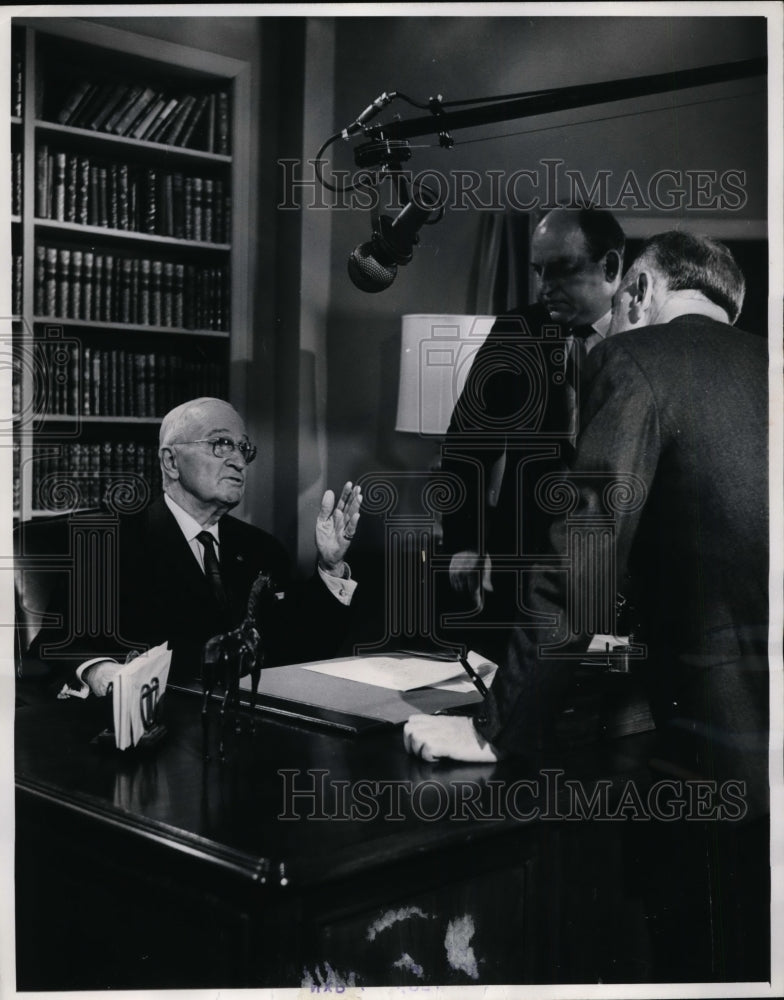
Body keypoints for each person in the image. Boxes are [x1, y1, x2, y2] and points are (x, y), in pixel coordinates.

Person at [405, 232, 769, 981]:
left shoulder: (637, 360)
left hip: (709, 758)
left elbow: (582, 565)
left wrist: (500, 730)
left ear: (635, 288)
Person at [30, 397, 363, 695]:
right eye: (221, 444)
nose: (239, 461)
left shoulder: (263, 549)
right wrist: (101, 673)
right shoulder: (111, 545)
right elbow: (54, 648)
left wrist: (330, 567)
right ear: (171, 462)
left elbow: (299, 650)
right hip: (163, 736)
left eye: (243, 449)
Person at [439, 207, 624, 651]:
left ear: (612, 267)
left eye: (561, 270)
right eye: (539, 271)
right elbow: (465, 444)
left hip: (613, 569)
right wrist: (465, 543)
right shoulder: (515, 332)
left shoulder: (643, 340)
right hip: (520, 562)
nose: (544, 288)